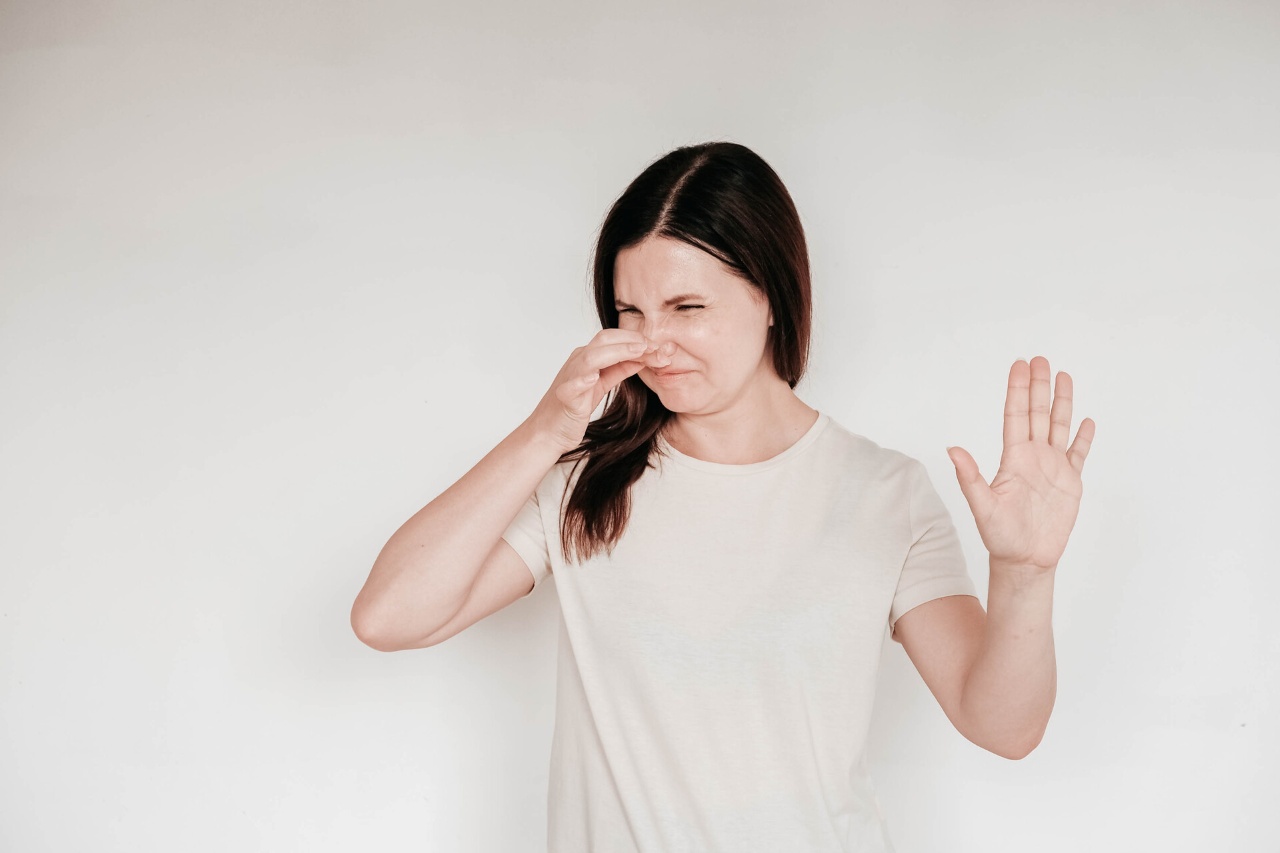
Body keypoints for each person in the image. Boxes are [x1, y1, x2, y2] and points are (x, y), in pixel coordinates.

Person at [350, 141, 1096, 852]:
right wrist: (545, 430)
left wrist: (1026, 573)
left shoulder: (882, 492)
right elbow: (388, 616)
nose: (652, 344)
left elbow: (1003, 725)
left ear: (771, 294)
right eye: (629, 312)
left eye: (686, 308)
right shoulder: (585, 485)